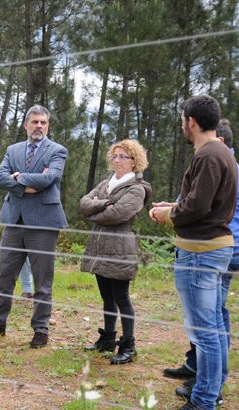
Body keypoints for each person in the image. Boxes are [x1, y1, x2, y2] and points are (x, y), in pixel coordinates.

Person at [150, 95, 235, 410]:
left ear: (192, 122)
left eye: (183, 120)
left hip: (201, 252)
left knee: (205, 332)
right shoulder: (219, 153)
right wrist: (173, 207)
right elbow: (205, 202)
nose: (183, 126)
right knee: (211, 326)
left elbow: (198, 206)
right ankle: (208, 395)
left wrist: (168, 214)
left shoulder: (210, 155)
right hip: (209, 249)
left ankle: (203, 401)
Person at [0, 105, 68, 349]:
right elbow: (0, 178)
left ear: (48, 126)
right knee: (5, 276)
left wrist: (18, 177)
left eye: (43, 123)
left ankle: (40, 329)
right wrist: (27, 184)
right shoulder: (12, 150)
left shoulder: (57, 150)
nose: (38, 126)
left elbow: (50, 178)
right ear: (26, 125)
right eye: (34, 122)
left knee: (42, 280)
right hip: (14, 220)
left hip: (44, 223)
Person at [79, 140, 151, 365]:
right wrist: (103, 205)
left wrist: (95, 211)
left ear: (135, 161)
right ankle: (108, 339)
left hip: (120, 250)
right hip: (100, 248)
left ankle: (128, 345)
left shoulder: (137, 188)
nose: (117, 160)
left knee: (122, 298)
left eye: (123, 157)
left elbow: (118, 214)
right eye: (115, 156)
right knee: (106, 297)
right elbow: (84, 203)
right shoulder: (106, 183)